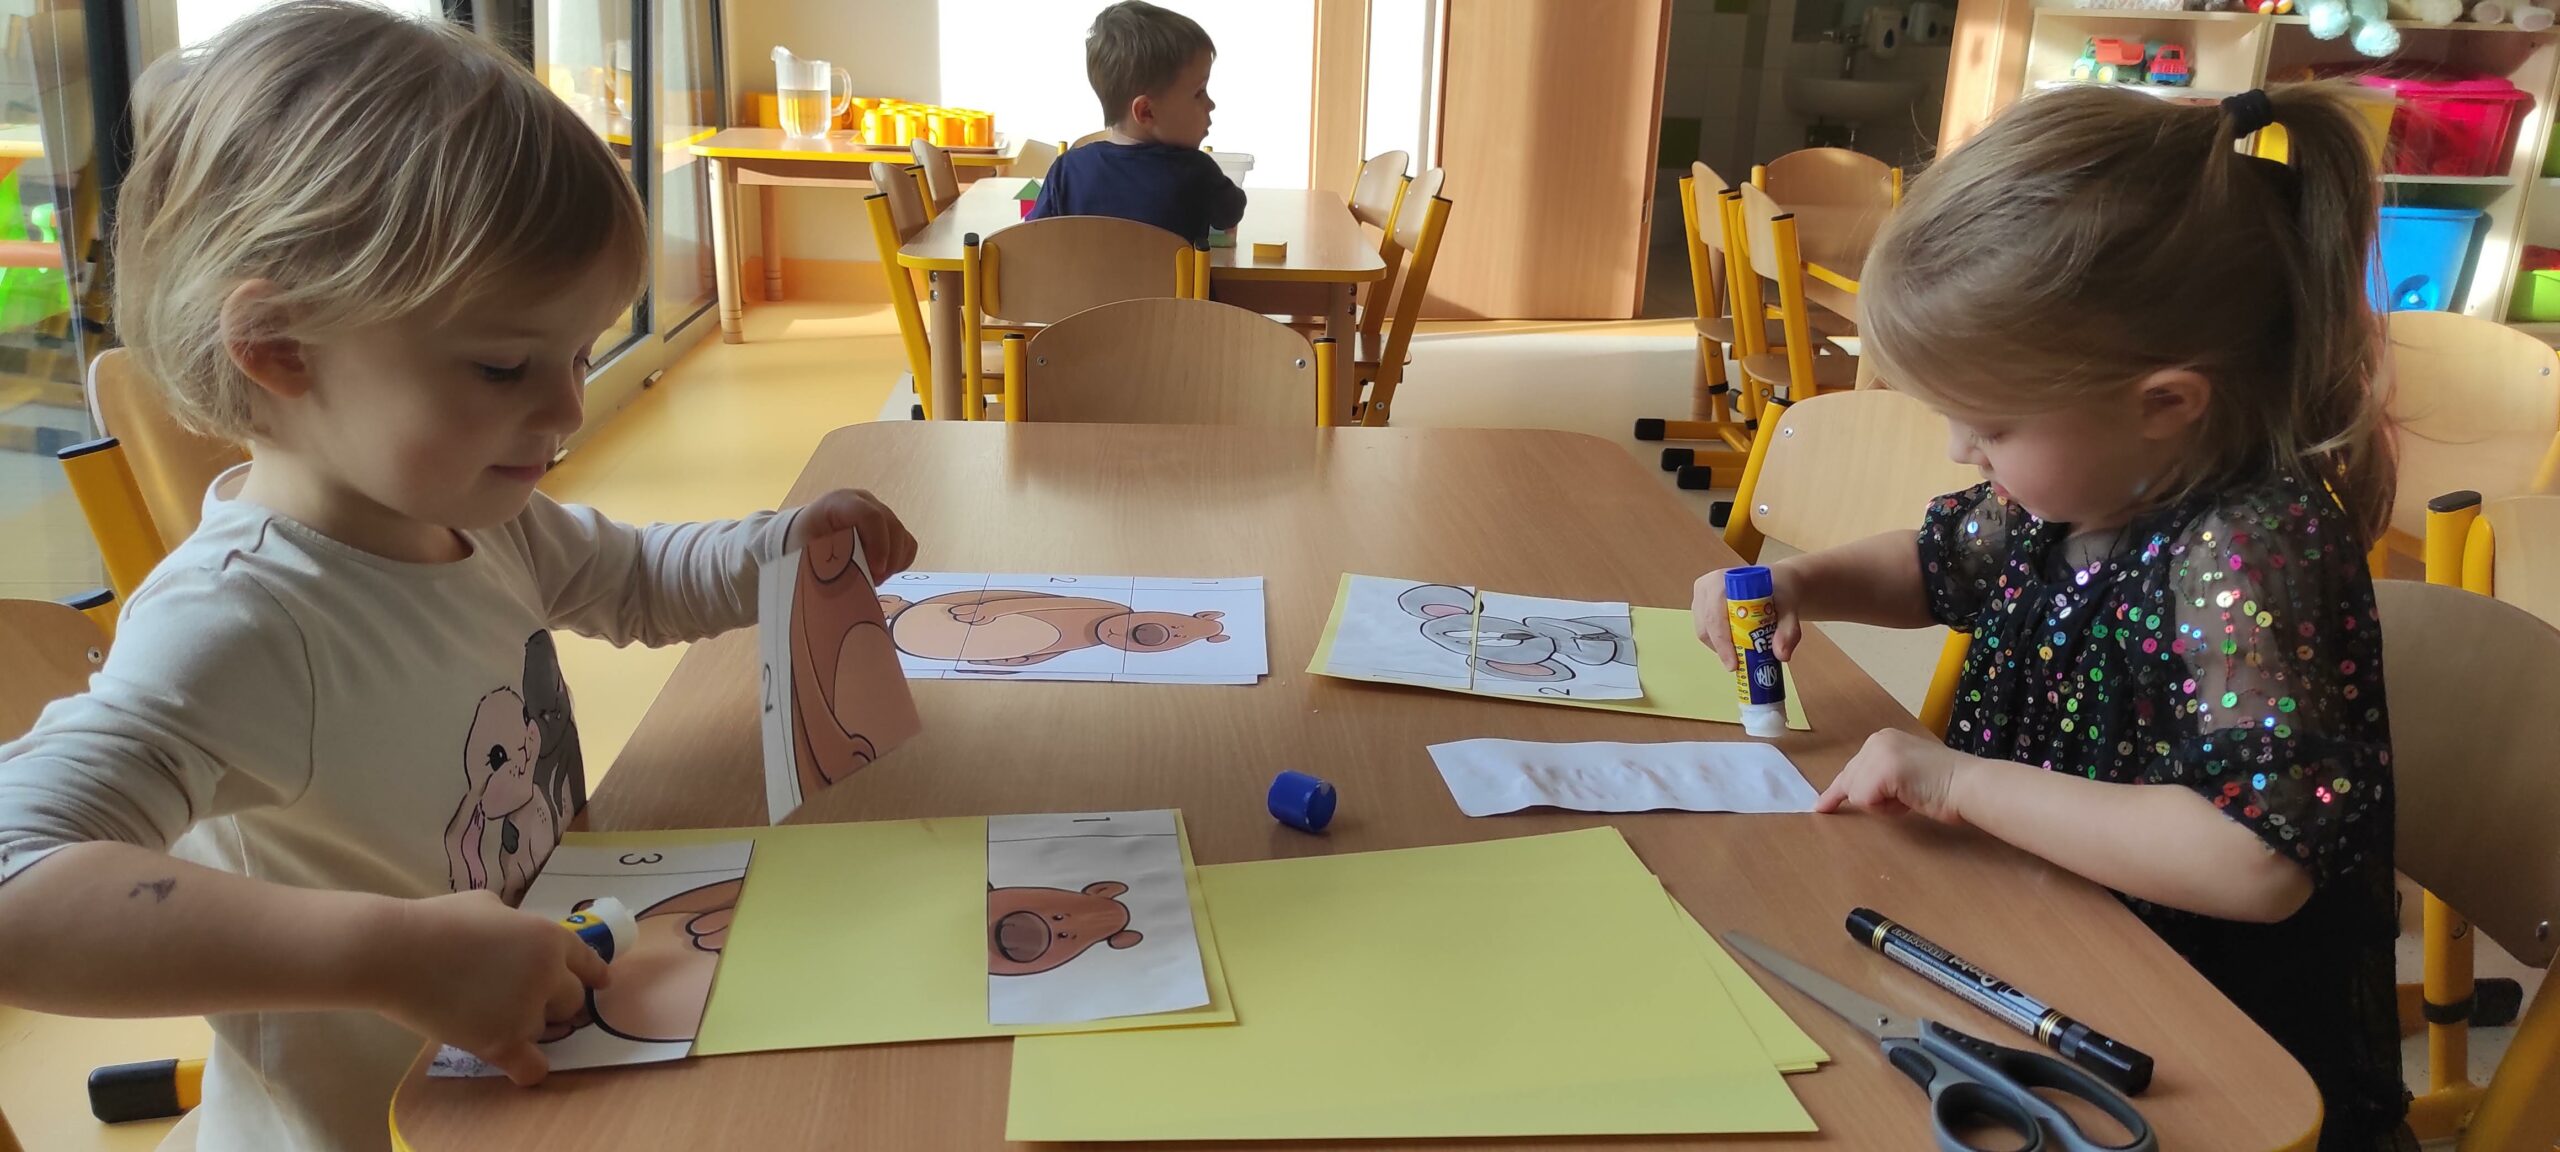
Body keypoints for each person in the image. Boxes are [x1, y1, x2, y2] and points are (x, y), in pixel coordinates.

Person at [0, 5, 917, 1150]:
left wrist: (778, 549)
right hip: (374, 1129)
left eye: (580, 355)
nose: (568, 409)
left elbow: (635, 578)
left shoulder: (481, 520)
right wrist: (385, 954)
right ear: (280, 347)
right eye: (502, 366)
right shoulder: (244, 620)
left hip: (544, 1062)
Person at [1694, 85, 2410, 1151]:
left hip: (2201, 1034)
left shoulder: (2246, 548)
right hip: (2043, 932)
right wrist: (1802, 583)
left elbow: (2255, 860)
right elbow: (1932, 566)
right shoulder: (2083, 488)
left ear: (2164, 403)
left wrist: (1957, 783)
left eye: (1987, 426)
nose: (1957, 452)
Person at [1027, 0, 1247, 245]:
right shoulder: (1198, 172)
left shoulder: (1067, 170)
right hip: (1171, 274)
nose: (1210, 104)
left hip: (1081, 273)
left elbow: (1033, 237)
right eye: (1199, 92)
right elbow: (1230, 214)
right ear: (1146, 112)